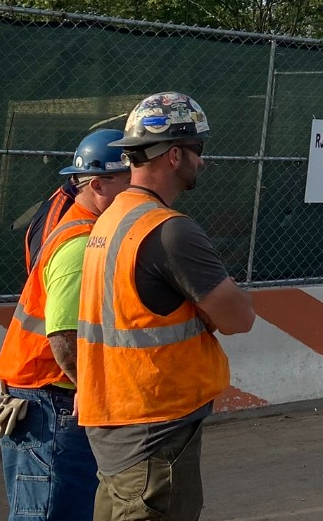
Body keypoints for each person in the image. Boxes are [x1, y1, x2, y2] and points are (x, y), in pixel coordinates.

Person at [77, 92, 255, 521]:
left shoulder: (112, 217)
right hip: (154, 434)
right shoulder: (170, 232)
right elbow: (238, 319)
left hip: (115, 422)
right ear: (174, 154)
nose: (203, 161)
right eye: (199, 150)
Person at [0, 129, 131, 521]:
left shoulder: (87, 228)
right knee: (54, 511)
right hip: (52, 402)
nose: (138, 191)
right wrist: (96, 397)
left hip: (48, 397)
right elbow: (64, 338)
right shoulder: (82, 244)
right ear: (98, 184)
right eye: (129, 181)